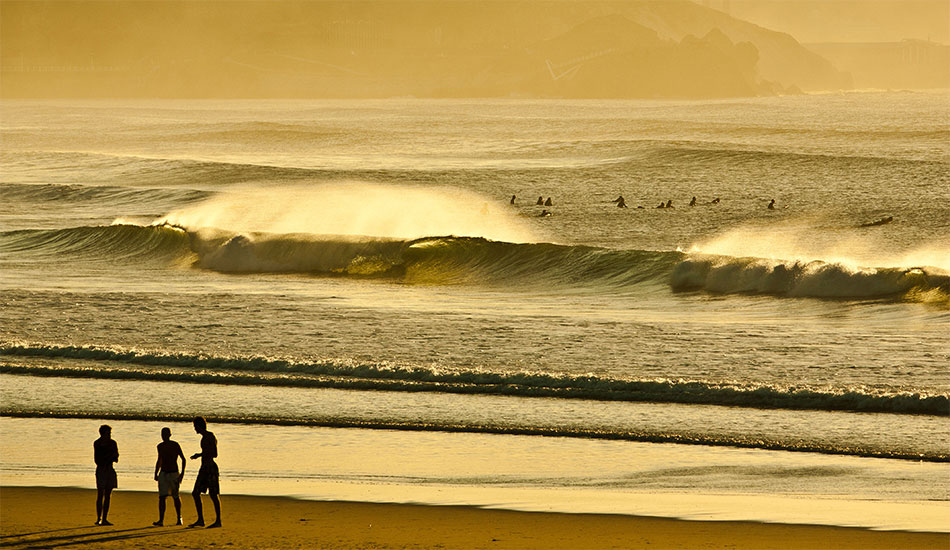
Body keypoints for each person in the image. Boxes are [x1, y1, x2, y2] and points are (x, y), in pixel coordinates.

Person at [189, 417, 221, 528]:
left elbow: (214, 454)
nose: (194, 429)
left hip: (210, 468)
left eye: (195, 426)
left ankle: (218, 521)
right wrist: (200, 454)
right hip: (204, 467)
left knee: (213, 494)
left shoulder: (210, 436)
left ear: (199, 426)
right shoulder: (204, 437)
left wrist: (201, 454)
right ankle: (201, 519)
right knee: (195, 493)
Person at [153, 427, 186, 527]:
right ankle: (161, 520)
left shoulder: (175, 445)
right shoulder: (160, 446)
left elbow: (183, 459)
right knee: (162, 497)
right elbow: (160, 459)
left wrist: (182, 474)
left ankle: (179, 518)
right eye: (162, 434)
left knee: (175, 496)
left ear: (170, 435)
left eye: (166, 434)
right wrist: (156, 472)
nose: (164, 437)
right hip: (163, 473)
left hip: (174, 473)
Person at [94, 425, 119, 526]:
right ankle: (99, 518)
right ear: (102, 433)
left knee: (108, 495)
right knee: (100, 494)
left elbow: (116, 457)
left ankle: (104, 518)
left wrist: (109, 457)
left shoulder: (113, 443)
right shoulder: (97, 443)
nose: (109, 435)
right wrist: (109, 457)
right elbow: (97, 460)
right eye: (108, 433)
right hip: (101, 469)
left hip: (109, 468)